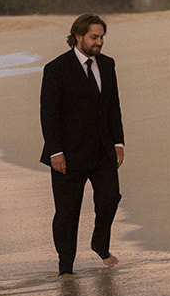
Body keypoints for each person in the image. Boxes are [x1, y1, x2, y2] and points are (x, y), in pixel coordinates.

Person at [40, 14, 125, 275]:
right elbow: (49, 113)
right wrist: (55, 151)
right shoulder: (56, 68)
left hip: (102, 150)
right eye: (94, 37)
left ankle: (100, 243)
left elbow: (113, 106)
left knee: (110, 198)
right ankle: (66, 266)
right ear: (78, 36)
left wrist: (118, 141)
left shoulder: (108, 65)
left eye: (101, 37)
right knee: (67, 213)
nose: (99, 42)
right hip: (68, 154)